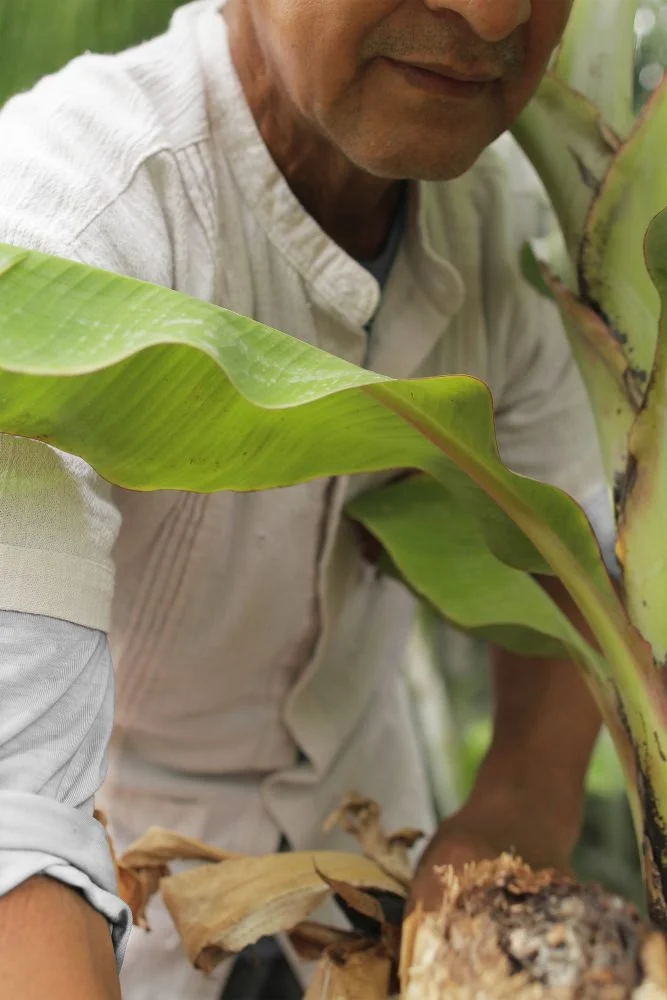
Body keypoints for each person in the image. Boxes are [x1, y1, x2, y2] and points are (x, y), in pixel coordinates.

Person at [0, 0, 613, 997]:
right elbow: (14, 839)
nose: (492, 11)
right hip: (116, 914)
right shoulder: (56, 235)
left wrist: (509, 817)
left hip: (371, 875)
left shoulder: (504, 236)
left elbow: (568, 574)